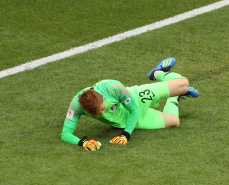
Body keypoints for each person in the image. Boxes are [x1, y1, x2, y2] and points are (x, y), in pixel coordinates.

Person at [61, 58, 199, 150]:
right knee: (175, 121)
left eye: (102, 108)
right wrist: (82, 142)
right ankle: (175, 97)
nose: (102, 113)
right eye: (97, 113)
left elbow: (134, 109)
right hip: (129, 121)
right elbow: (65, 134)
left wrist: (125, 135)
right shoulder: (76, 105)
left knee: (183, 83)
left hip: (137, 98)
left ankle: (158, 73)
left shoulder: (113, 87)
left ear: (102, 97)